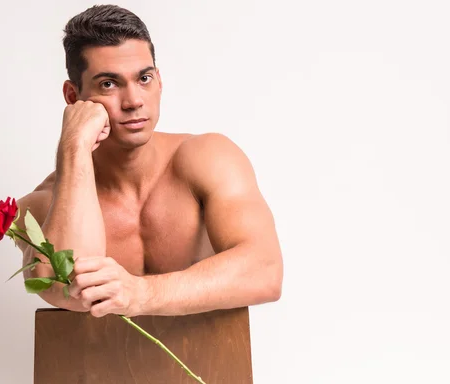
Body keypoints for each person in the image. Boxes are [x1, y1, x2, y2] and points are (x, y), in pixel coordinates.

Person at [16, 4, 283, 318]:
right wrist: (73, 147)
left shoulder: (208, 159)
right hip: (91, 367)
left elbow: (265, 270)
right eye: (108, 84)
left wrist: (140, 293)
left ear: (159, 81)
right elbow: (66, 290)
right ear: (74, 97)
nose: (133, 101)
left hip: (211, 364)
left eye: (143, 78)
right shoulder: (42, 206)